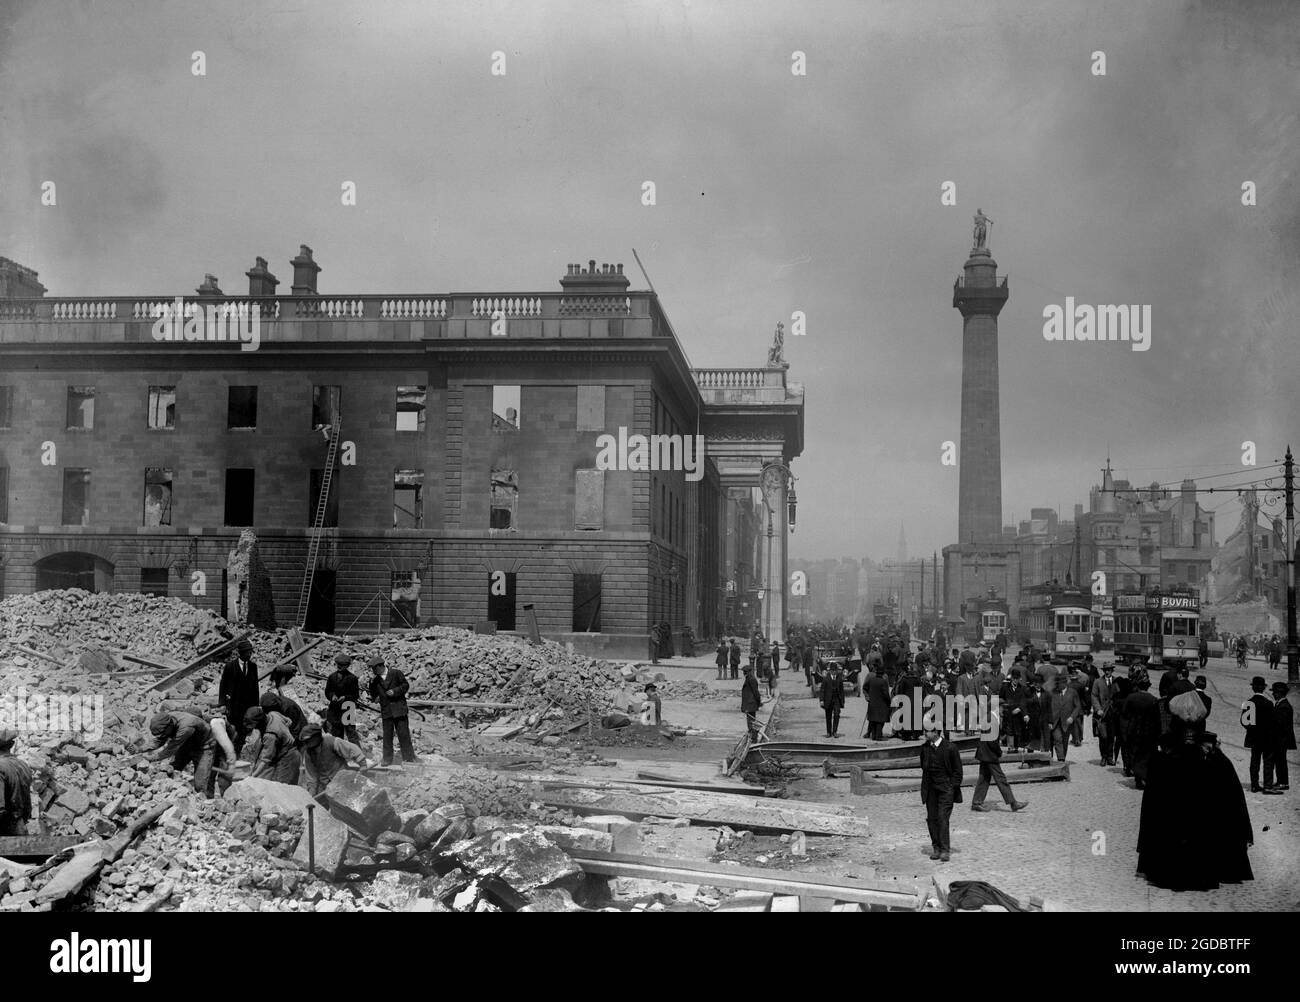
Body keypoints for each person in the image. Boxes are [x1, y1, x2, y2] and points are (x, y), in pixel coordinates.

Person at [970, 708, 1028, 814]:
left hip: (985, 753)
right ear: (997, 708)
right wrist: (1000, 753)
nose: (1004, 711)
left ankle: (976, 803)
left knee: (984, 778)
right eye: (1002, 708)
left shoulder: (991, 717)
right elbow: (992, 740)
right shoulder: (991, 719)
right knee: (1001, 779)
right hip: (989, 754)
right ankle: (1013, 803)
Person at [145, 710, 217, 796]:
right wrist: (141, 749)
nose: (162, 735)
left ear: (170, 726)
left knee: (200, 784)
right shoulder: (166, 720)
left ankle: (206, 803)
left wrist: (151, 758)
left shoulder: (186, 727)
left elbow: (169, 750)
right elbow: (160, 740)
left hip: (204, 747)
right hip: (186, 744)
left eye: (163, 733)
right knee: (171, 771)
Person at [920, 724, 963, 862]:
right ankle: (936, 848)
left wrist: (951, 787)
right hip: (930, 789)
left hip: (945, 789)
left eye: (928, 731)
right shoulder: (925, 748)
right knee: (932, 819)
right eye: (925, 731)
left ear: (937, 732)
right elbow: (923, 766)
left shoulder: (950, 748)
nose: (925, 733)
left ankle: (945, 850)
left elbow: (958, 772)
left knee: (942, 818)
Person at [368, 654, 418, 765]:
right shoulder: (375, 680)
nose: (373, 671)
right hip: (386, 711)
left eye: (374, 669)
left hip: (399, 709)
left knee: (403, 734)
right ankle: (387, 759)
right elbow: (373, 695)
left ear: (380, 666)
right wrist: (372, 690)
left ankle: (409, 758)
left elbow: (405, 685)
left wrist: (395, 691)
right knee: (387, 736)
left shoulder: (396, 673)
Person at [299, 723, 369, 797]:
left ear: (316, 737)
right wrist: (311, 794)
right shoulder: (308, 754)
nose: (307, 744)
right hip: (326, 786)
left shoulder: (332, 742)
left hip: (343, 779)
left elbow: (353, 750)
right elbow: (311, 776)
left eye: (308, 740)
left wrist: (363, 765)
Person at [218, 639, 261, 755]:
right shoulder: (230, 667)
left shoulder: (253, 667)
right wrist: (222, 703)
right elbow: (223, 685)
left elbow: (255, 687)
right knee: (233, 729)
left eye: (250, 652)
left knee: (244, 730)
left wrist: (256, 706)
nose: (249, 655)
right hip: (233, 705)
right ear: (241, 653)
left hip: (248, 706)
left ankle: (237, 752)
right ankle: (228, 752)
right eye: (247, 652)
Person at [242, 706, 299, 784]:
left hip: (288, 757)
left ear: (260, 722)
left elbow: (265, 760)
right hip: (290, 750)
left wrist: (252, 777)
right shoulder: (273, 714)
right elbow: (289, 721)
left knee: (281, 787)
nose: (254, 728)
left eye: (254, 725)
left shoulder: (270, 735)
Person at [1123, 671, 1159, 789]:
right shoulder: (1154, 700)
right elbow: (1157, 718)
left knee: (1135, 754)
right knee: (1147, 755)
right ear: (1148, 687)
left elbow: (1125, 713)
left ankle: (1138, 778)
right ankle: (1145, 777)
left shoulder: (1131, 697)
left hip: (1134, 731)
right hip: (1149, 732)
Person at [1242, 675, 1275, 793]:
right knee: (1268, 761)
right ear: (1264, 688)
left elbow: (1244, 722)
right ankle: (1267, 785)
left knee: (1254, 761)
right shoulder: (1269, 703)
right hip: (1266, 737)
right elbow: (1273, 722)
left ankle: (1254, 785)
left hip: (1254, 737)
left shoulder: (1248, 703)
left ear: (1253, 688)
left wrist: (1252, 729)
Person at [0, 729, 33, 835]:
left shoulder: (1, 766)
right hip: (20, 827)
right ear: (12, 744)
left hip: (4, 830)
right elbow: (27, 805)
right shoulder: (24, 765)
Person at [325, 651, 362, 744]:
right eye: (338, 664)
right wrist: (332, 696)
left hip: (348, 708)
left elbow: (355, 695)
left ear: (347, 666)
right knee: (336, 734)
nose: (339, 666)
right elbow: (327, 691)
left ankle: (357, 755)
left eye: (342, 665)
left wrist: (345, 697)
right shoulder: (331, 677)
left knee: (351, 733)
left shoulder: (352, 678)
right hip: (335, 709)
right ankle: (339, 756)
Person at [1266, 681, 1294, 793]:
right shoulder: (1281, 704)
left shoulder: (1284, 707)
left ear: (1280, 693)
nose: (1273, 695)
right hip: (1280, 739)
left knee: (1281, 761)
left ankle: (1283, 782)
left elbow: (1280, 725)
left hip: (1281, 739)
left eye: (1275, 693)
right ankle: (1281, 781)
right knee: (1279, 761)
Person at [1049, 671, 1081, 762]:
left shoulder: (1072, 692)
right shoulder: (1053, 692)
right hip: (1055, 722)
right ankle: (1061, 760)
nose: (1057, 686)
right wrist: (1049, 721)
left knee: (1065, 742)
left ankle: (1062, 759)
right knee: (1057, 739)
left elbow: (1077, 706)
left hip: (1067, 723)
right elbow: (1049, 708)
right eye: (1056, 684)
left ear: (1064, 683)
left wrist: (1072, 717)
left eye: (1058, 684)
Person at [1091, 663, 1119, 766]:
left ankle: (1110, 757)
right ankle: (1103, 757)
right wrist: (1098, 709)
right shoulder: (1097, 682)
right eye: (1106, 670)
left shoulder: (1117, 682)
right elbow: (1093, 696)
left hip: (1113, 715)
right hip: (1101, 715)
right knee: (1103, 736)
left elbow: (1120, 697)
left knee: (1112, 736)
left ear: (1112, 670)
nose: (1107, 672)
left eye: (1109, 670)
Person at [865, 666, 891, 741]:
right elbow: (886, 694)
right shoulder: (883, 681)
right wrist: (889, 702)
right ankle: (878, 736)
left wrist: (868, 697)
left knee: (873, 720)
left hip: (872, 703)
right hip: (881, 704)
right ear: (883, 674)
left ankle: (873, 736)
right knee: (880, 721)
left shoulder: (871, 680)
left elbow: (865, 688)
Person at [821, 661, 846, 738]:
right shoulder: (826, 679)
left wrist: (843, 700)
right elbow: (822, 690)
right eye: (833, 670)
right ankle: (829, 732)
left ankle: (835, 731)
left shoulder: (839, 678)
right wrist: (821, 700)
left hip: (837, 699)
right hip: (828, 700)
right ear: (830, 671)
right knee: (828, 716)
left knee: (836, 714)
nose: (834, 672)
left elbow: (842, 690)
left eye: (835, 670)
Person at [741, 664, 763, 741]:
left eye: (745, 672)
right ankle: (752, 736)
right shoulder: (749, 678)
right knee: (750, 720)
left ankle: (753, 737)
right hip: (750, 703)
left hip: (751, 703)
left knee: (751, 721)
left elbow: (756, 692)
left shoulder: (751, 679)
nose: (744, 673)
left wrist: (759, 702)